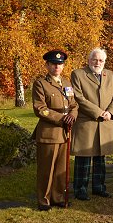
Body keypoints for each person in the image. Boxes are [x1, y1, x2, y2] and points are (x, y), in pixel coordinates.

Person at [70, 48, 113, 200]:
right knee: (84, 158)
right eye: (95, 59)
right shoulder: (78, 74)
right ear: (89, 60)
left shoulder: (110, 75)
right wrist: (99, 112)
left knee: (100, 157)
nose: (98, 63)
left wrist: (110, 113)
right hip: (87, 122)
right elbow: (78, 97)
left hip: (105, 123)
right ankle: (80, 189)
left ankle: (99, 187)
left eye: (101, 60)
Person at [32, 50, 78, 211]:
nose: (57, 66)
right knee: (46, 169)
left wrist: (72, 115)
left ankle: (58, 197)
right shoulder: (41, 84)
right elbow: (40, 109)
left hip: (65, 132)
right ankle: (44, 200)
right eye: (53, 64)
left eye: (60, 64)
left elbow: (74, 104)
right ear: (47, 65)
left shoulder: (66, 83)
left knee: (61, 168)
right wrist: (61, 118)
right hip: (49, 132)